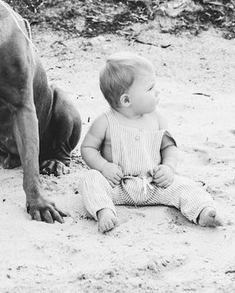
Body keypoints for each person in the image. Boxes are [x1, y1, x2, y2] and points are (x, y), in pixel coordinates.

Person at [80, 51, 222, 233]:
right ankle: (104, 211)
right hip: (118, 186)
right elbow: (88, 148)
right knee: (90, 179)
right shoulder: (105, 121)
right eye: (150, 89)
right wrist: (103, 166)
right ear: (126, 100)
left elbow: (169, 147)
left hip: (154, 185)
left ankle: (202, 210)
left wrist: (168, 169)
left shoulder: (158, 119)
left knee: (184, 186)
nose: (157, 92)